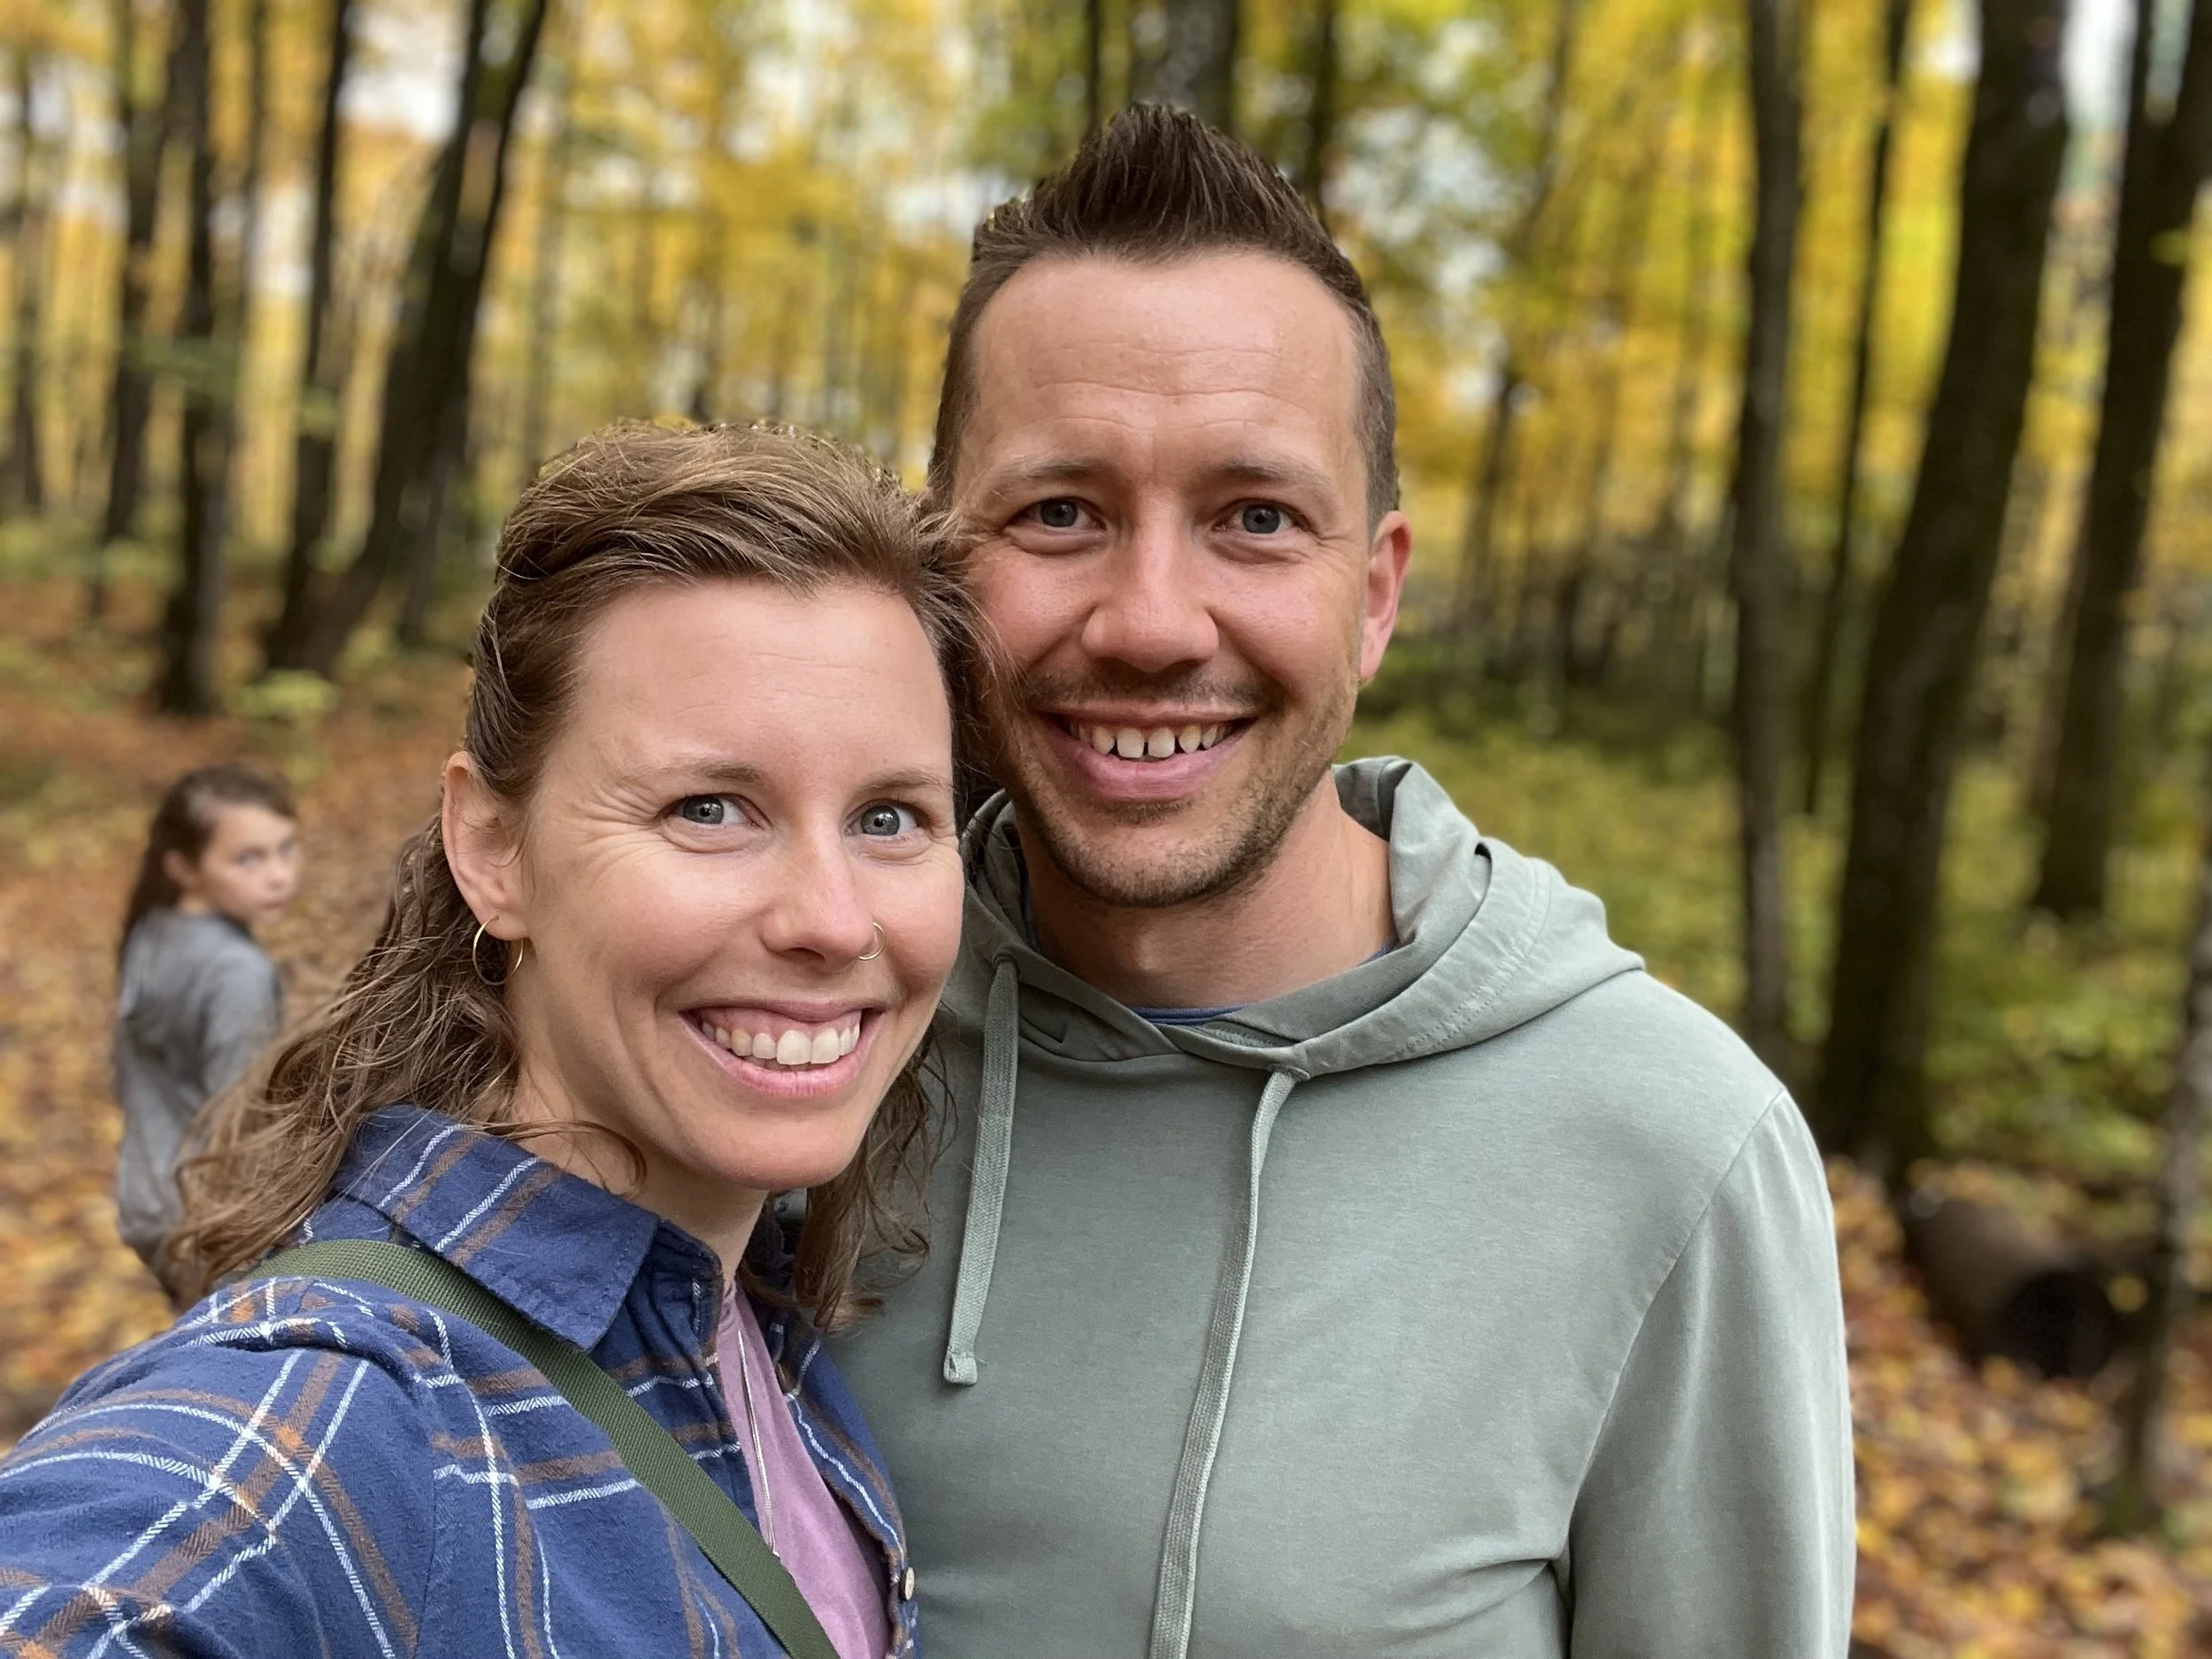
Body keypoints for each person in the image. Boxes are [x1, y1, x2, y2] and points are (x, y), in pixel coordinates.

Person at [830, 106, 1856, 1657]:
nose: (1152, 620)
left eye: (1254, 517)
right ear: (941, 569)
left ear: (1373, 594)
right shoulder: (808, 1031)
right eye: (1059, 513)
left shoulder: (1670, 1152)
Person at [0, 424, 979, 1659]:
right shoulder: (344, 1415)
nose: (832, 919)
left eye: (890, 814)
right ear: (493, 850)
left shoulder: (757, 1307)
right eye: (710, 809)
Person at [112, 763, 299, 1294]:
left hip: (149, 1195)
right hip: (208, 1221)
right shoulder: (237, 972)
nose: (279, 874)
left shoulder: (152, 929)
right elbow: (240, 1123)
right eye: (249, 859)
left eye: (286, 848)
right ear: (184, 868)